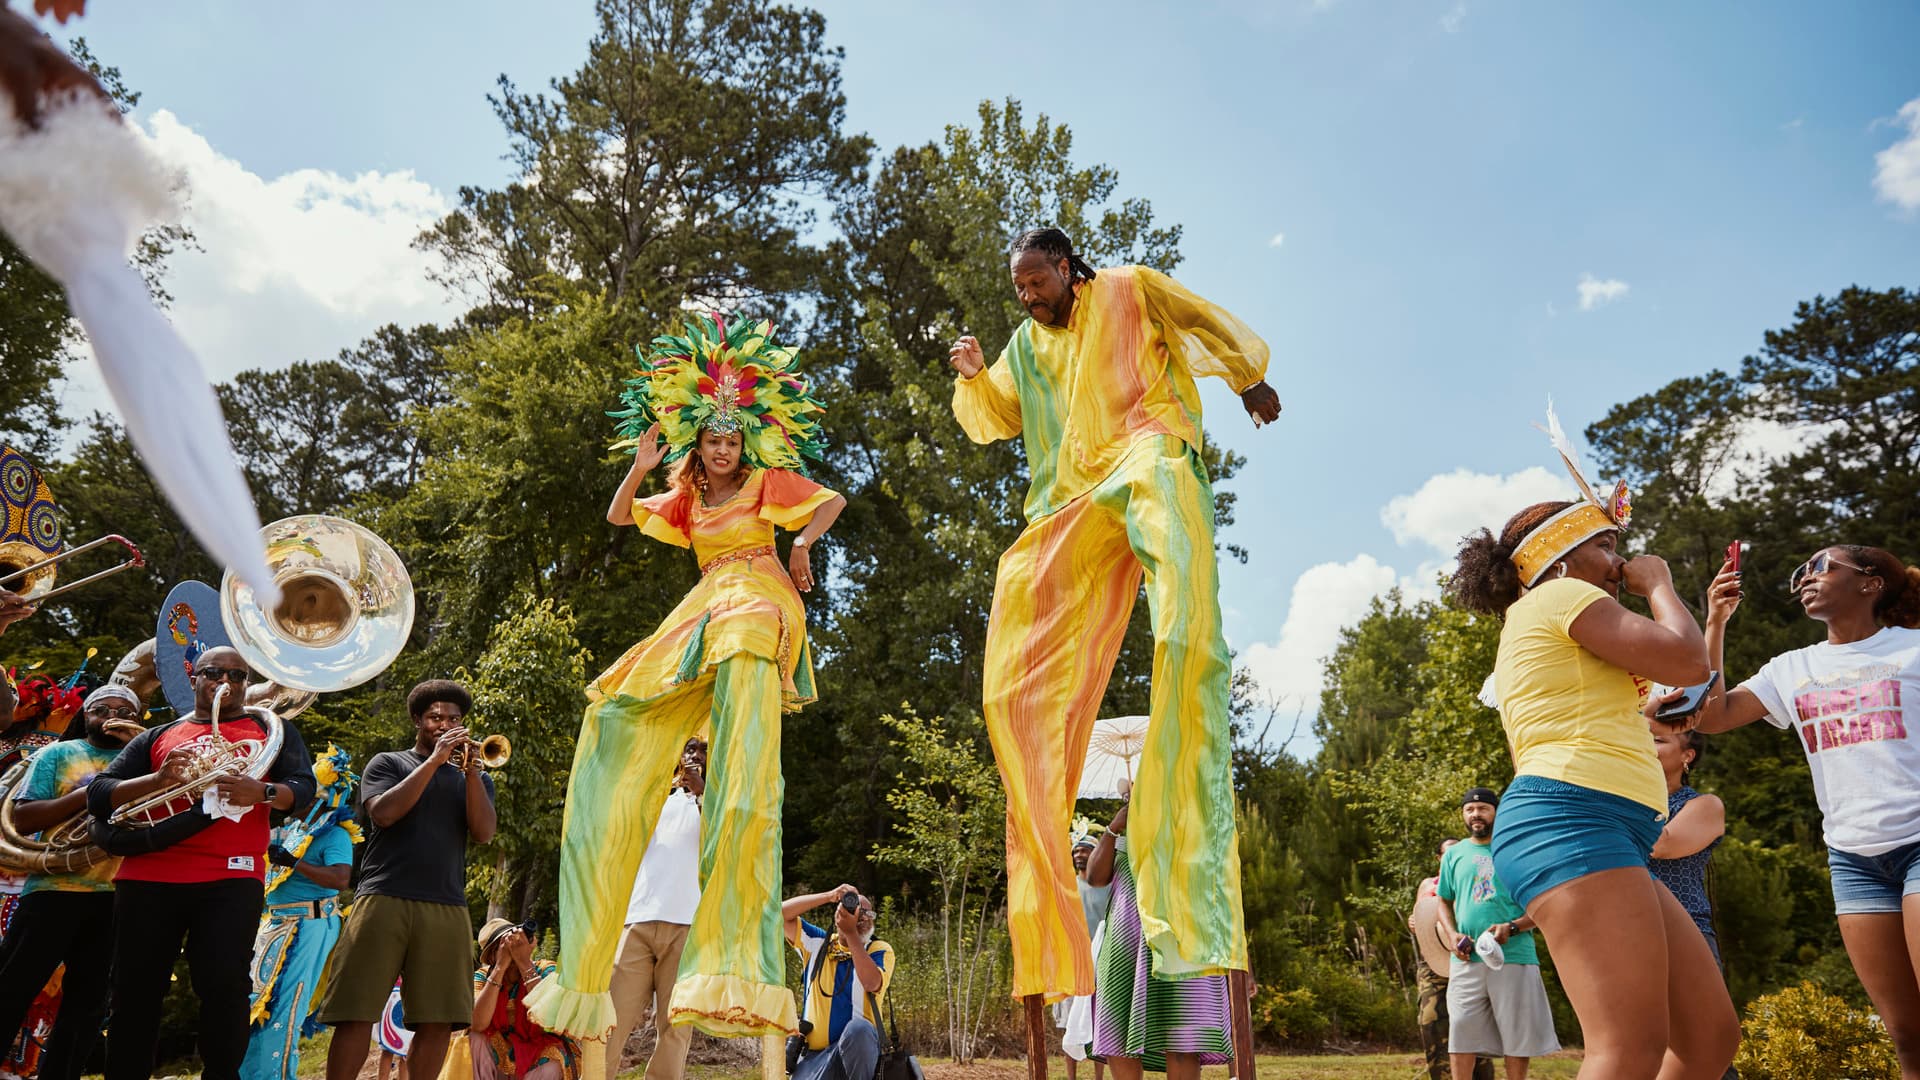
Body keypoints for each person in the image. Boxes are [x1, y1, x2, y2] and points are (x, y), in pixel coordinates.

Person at [946, 227, 1279, 999]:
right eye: (1019, 289)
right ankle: (1052, 921)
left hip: (1150, 451)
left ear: (1067, 268)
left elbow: (1203, 320)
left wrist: (1246, 378)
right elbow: (995, 414)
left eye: (1038, 282)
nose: (1028, 297)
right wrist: (970, 377)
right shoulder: (1027, 344)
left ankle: (1189, 868)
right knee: (1013, 637)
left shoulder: (1128, 288)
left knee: (1184, 632)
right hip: (1071, 498)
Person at [530, 314, 843, 1058]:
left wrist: (801, 544)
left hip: (759, 598)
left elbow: (829, 500)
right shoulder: (686, 501)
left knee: (741, 639)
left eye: (733, 440)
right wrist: (640, 464)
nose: (725, 450)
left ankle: (738, 794)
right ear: (698, 447)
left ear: (745, 444)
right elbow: (617, 515)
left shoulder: (767, 484)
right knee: (617, 700)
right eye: (713, 441)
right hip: (706, 604)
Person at [1447, 422, 1739, 1080]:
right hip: (1571, 821)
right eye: (1607, 544)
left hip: (1605, 827)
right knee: (1627, 1047)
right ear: (1561, 558)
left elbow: (1687, 685)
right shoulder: (1561, 595)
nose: (1621, 559)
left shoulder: (1561, 619)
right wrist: (1659, 582)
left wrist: (1689, 661)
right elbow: (1689, 659)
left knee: (1709, 1039)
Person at [1696, 544, 1920, 1075]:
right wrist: (1716, 624)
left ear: (1870, 584)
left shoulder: (1912, 650)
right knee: (1906, 1034)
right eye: (1799, 572)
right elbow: (1711, 716)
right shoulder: (1792, 668)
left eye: (1821, 567)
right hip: (1852, 858)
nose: (1804, 578)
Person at [86, 646, 317, 1080]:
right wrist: (157, 780)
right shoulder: (157, 737)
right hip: (148, 875)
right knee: (134, 992)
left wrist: (261, 793)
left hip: (231, 877)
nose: (226, 681)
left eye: (238, 675)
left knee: (225, 989)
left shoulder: (274, 732)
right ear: (194, 677)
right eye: (214, 672)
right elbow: (99, 793)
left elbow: (302, 791)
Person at [319, 680, 496, 1080]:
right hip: (384, 898)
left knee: (437, 1020)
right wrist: (433, 762)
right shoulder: (388, 763)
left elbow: (484, 833)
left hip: (446, 904)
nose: (445, 725)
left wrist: (470, 773)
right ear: (417, 720)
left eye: (454, 719)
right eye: (436, 717)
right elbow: (383, 813)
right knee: (355, 1011)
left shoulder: (477, 777)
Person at [0, 684, 139, 1080]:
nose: (111, 715)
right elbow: (25, 819)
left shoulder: (151, 762)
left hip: (119, 894)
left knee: (89, 1004)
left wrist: (141, 761)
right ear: (86, 715)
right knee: (11, 988)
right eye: (101, 709)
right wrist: (95, 793)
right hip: (53, 891)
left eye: (123, 710)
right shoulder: (58, 754)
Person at [1085, 779, 1232, 1079]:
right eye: (1129, 793)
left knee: (1181, 1034)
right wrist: (1115, 826)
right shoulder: (1121, 836)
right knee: (1118, 1032)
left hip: (1175, 941)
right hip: (1124, 943)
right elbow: (1094, 878)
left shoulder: (1186, 830)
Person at [241, 744, 361, 1080]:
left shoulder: (334, 833)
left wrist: (295, 863)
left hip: (307, 925)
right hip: (275, 924)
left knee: (284, 1007)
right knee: (255, 1004)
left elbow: (340, 879)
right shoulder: (292, 829)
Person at [1433, 789, 1558, 1080]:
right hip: (1466, 958)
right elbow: (1442, 900)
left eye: (1483, 808)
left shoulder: (1518, 851)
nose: (1476, 814)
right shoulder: (1454, 854)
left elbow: (1545, 905)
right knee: (1461, 1032)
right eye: (1470, 809)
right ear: (1463, 815)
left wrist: (1512, 927)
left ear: (1496, 812)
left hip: (1514, 956)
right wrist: (1451, 935)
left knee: (1517, 1035)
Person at [605, 737, 705, 1080]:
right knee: (612, 1018)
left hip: (687, 927)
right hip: (638, 920)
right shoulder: (658, 799)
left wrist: (704, 792)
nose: (694, 756)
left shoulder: (720, 803)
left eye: (702, 750)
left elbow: (724, 838)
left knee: (675, 1025)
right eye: (689, 749)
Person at [781, 885, 893, 1080]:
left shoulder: (878, 949)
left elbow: (872, 983)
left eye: (868, 913)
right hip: (814, 1059)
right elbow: (777, 914)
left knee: (859, 1029)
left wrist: (851, 934)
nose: (864, 917)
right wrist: (829, 895)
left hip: (858, 1059)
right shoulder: (818, 943)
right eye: (857, 910)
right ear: (838, 914)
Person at [1412, 839, 1493, 1080]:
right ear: (1439, 858)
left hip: (1471, 957)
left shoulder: (1475, 880)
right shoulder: (1427, 884)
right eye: (1447, 854)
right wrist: (1413, 921)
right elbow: (1421, 913)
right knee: (1430, 1020)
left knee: (1473, 1022)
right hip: (1434, 957)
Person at [469, 920, 582, 1080]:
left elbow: (551, 1019)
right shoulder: (483, 976)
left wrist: (524, 964)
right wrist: (500, 968)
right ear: (492, 955)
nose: (513, 948)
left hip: (541, 1048)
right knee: (475, 1039)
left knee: (553, 1063)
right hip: (503, 1050)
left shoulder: (546, 969)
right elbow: (478, 1024)